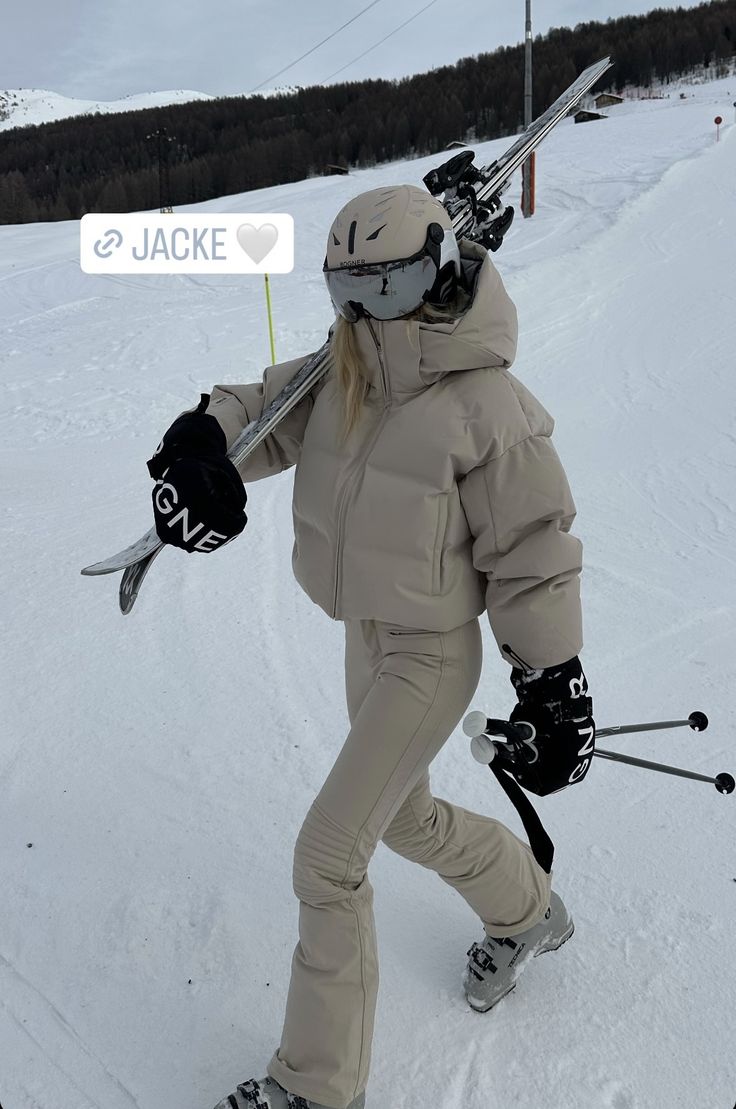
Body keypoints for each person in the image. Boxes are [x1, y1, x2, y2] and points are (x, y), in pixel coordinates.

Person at [147, 184, 595, 1109]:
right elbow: (262, 406)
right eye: (347, 290)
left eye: (386, 290)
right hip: (368, 631)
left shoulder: (488, 405)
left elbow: (535, 550)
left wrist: (552, 681)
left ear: (434, 272)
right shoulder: (346, 367)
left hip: (431, 654)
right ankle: (528, 909)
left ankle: (315, 1088)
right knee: (403, 819)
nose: (363, 312)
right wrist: (201, 443)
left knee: (328, 856)